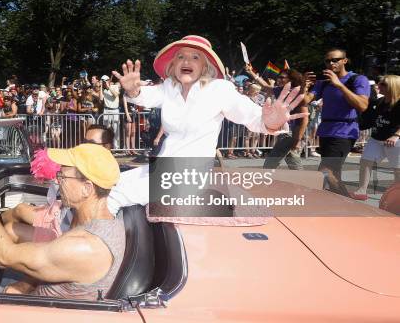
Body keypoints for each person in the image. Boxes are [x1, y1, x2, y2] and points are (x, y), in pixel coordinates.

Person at [106, 35, 306, 215]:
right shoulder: (170, 87)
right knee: (105, 184)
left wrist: (269, 122)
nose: (187, 61)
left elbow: (251, 116)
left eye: (195, 57)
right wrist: (133, 91)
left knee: (112, 198)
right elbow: (145, 96)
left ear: (205, 66)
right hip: (161, 169)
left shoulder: (219, 89)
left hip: (190, 176)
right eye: (181, 56)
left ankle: (103, 249)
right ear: (174, 64)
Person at [0, 144, 125, 299]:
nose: (57, 181)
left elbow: (2, 255)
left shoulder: (85, 246)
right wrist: (27, 284)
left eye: (62, 176)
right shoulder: (101, 223)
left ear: (87, 189)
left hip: (34, 309)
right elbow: (56, 265)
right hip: (38, 291)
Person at [303, 48, 370, 195]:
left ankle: (350, 208)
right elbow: (304, 101)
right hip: (326, 131)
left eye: (335, 60)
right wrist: (304, 86)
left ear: (344, 61)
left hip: (344, 131)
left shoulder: (358, 79)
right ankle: (336, 206)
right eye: (327, 61)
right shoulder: (324, 83)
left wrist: (339, 84)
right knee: (331, 173)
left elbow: (362, 105)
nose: (331, 63)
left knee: (326, 172)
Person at [353, 75, 399, 200]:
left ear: (393, 86)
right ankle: (361, 190)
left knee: (397, 169)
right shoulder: (380, 101)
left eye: (383, 84)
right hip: (376, 138)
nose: (379, 85)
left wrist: (396, 135)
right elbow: (369, 118)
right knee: (365, 161)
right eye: (379, 83)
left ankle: (396, 196)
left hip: (395, 140)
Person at [263, 69, 309, 170]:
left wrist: (297, 138)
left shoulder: (297, 93)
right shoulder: (280, 90)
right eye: (278, 77)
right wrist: (252, 73)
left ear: (291, 80)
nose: (278, 79)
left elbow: (305, 118)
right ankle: (304, 182)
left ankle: (265, 180)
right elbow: (266, 87)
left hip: (293, 132)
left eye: (282, 77)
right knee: (293, 161)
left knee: (271, 162)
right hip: (285, 131)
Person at [101, 74, 121, 149]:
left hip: (115, 110)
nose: (104, 82)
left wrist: (109, 87)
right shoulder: (103, 89)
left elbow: (116, 95)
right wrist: (101, 88)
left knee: (116, 129)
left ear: (109, 80)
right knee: (106, 129)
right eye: (103, 81)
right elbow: (100, 98)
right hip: (106, 110)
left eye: (105, 80)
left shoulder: (115, 86)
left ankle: (116, 148)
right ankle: (107, 146)